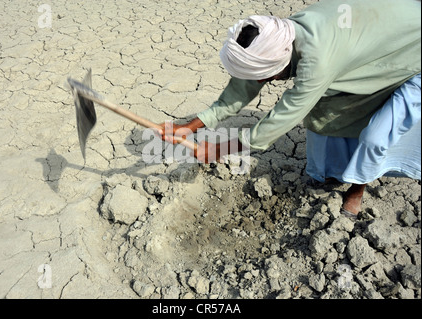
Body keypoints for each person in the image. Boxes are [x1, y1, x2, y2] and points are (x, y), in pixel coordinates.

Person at [157, 0, 421, 219]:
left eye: (266, 77)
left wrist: (218, 149)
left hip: (410, 51)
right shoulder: (280, 35)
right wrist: (191, 126)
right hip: (374, 40)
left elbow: (285, 115)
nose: (263, 82)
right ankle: (332, 173)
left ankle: (356, 191)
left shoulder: (318, 59)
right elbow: (245, 84)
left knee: (376, 133)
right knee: (327, 109)